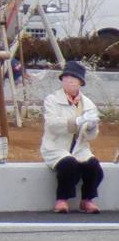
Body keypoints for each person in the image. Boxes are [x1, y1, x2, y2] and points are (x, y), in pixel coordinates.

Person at [42, 61, 101, 214]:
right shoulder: (52, 100)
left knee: (94, 166)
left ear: (80, 82)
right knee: (69, 165)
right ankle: (62, 199)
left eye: (73, 79)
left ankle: (87, 199)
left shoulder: (88, 104)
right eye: (66, 78)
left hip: (79, 148)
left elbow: (91, 136)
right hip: (56, 147)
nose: (69, 81)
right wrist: (76, 121)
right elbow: (52, 124)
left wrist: (92, 126)